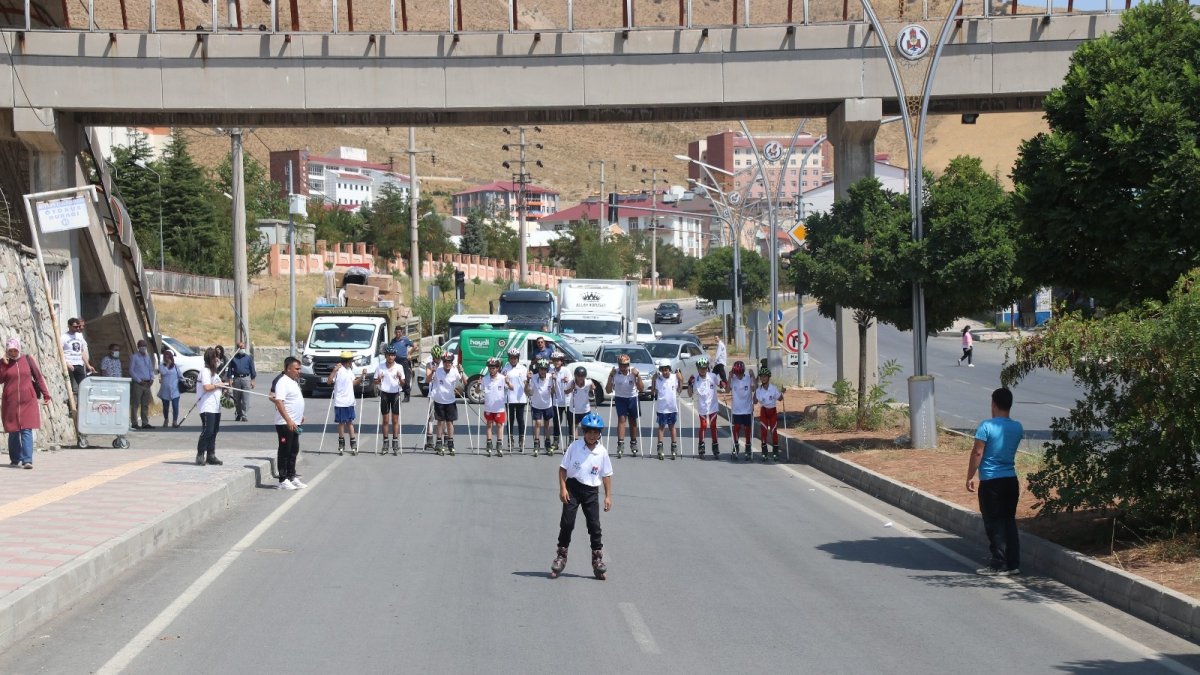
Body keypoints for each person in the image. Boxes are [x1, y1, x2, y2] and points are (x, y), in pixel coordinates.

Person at [967, 387, 1024, 576]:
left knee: (994, 522)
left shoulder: (986, 426)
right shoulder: (1017, 427)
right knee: (1009, 520)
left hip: (991, 481)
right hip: (1011, 479)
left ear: (994, 404)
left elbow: (978, 453)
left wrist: (970, 476)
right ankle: (1013, 563)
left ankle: (999, 563)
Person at [550, 411, 613, 580]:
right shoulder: (575, 446)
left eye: (595, 432)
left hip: (591, 491)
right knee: (567, 522)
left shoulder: (602, 452)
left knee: (594, 525)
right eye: (589, 431)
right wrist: (563, 489)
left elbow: (606, 475)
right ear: (583, 431)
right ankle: (561, 555)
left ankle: (597, 559)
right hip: (573, 488)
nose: (592, 435)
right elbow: (563, 469)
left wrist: (608, 496)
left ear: (599, 434)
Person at [0, 338, 50, 469]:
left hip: (28, 400)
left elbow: (38, 377)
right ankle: (15, 459)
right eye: (10, 350)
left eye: (15, 350)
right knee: (13, 431)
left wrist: (46, 394)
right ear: (7, 350)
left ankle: (27, 460)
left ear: (19, 349)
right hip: (10, 402)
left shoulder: (27, 359)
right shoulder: (3, 363)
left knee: (26, 429)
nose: (13, 353)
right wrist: (4, 364)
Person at [270, 357, 307, 490]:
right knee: (285, 450)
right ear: (288, 368)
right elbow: (279, 402)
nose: (299, 371)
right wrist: (288, 420)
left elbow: (294, 400)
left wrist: (300, 415)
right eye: (296, 369)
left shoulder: (293, 382)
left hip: (295, 422)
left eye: (299, 369)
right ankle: (283, 479)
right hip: (285, 423)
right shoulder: (282, 382)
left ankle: (291, 476)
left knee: (293, 450)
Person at [605, 353, 644, 458]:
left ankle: (633, 442)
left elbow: (641, 388)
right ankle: (620, 443)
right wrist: (610, 376)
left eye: (626, 365)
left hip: (632, 397)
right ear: (618, 365)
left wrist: (638, 376)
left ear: (629, 364)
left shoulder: (633, 372)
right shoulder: (615, 373)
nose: (623, 368)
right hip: (620, 398)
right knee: (621, 419)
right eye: (621, 365)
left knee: (632, 420)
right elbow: (608, 390)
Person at [426, 351, 464, 456]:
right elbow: (427, 380)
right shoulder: (438, 371)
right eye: (445, 362)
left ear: (452, 362)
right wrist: (432, 372)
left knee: (450, 423)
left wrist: (462, 372)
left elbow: (463, 383)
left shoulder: (454, 371)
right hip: (439, 400)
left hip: (450, 401)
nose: (447, 364)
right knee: (440, 422)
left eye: (449, 362)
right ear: (443, 362)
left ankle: (450, 443)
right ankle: (439, 442)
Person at [327, 351, 365, 456]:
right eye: (351, 361)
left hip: (350, 401)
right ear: (348, 361)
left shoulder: (349, 371)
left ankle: (353, 443)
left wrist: (362, 377)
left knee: (350, 422)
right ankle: (341, 442)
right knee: (341, 423)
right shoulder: (338, 370)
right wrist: (334, 370)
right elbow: (329, 381)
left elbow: (353, 383)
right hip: (340, 401)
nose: (352, 362)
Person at [687, 357, 724, 459]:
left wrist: (723, 383)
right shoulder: (695, 379)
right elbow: (690, 394)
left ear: (707, 367)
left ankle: (715, 446)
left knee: (713, 426)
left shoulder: (712, 376)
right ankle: (701, 445)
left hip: (713, 406)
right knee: (703, 426)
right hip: (702, 407)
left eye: (704, 368)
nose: (702, 370)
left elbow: (721, 385)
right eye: (700, 368)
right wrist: (689, 384)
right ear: (697, 368)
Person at [195, 347, 226, 466]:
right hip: (206, 406)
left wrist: (224, 387)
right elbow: (207, 387)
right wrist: (218, 385)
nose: (218, 360)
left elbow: (217, 385)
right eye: (215, 357)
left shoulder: (215, 373)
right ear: (211, 359)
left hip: (216, 407)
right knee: (207, 431)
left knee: (214, 431)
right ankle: (200, 455)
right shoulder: (205, 371)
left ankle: (211, 455)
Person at [374, 345, 405, 455]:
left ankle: (395, 441)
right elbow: (375, 381)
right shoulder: (380, 366)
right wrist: (379, 379)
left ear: (395, 356)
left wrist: (400, 378)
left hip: (395, 393)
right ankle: (385, 442)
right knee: (385, 420)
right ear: (385, 356)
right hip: (385, 393)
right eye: (388, 355)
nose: (390, 357)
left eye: (392, 355)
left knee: (395, 420)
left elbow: (403, 383)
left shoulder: (399, 367)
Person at [651, 359, 684, 460]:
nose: (665, 372)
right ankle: (660, 447)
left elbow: (679, 390)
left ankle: (674, 446)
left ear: (670, 369)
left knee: (672, 427)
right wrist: (653, 380)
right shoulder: (658, 379)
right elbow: (653, 392)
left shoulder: (674, 377)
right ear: (660, 370)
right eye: (663, 370)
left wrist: (681, 380)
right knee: (661, 427)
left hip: (672, 408)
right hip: (662, 408)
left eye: (666, 369)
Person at [480, 357, 510, 457]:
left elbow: (511, 388)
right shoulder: (485, 379)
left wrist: (508, 382)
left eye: (493, 368)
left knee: (499, 425)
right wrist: (478, 385)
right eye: (490, 368)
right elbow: (477, 391)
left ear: (498, 368)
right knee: (489, 425)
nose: (491, 370)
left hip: (499, 408)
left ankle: (499, 444)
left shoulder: (502, 378)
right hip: (489, 407)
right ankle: (489, 444)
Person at [526, 359, 556, 457]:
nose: (542, 371)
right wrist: (527, 381)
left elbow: (553, 392)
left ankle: (548, 443)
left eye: (544, 369)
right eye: (541, 369)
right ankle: (536, 443)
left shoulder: (550, 377)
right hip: (536, 405)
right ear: (538, 369)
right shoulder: (533, 378)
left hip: (547, 404)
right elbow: (528, 392)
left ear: (547, 370)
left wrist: (555, 381)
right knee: (538, 423)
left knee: (547, 424)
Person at [502, 348, 530, 453]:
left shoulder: (523, 368)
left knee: (520, 419)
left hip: (520, 398)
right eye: (511, 358)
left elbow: (526, 382)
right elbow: (503, 383)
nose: (513, 360)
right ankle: (510, 440)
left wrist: (528, 382)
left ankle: (521, 439)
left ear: (518, 358)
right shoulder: (505, 369)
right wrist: (506, 383)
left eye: (515, 358)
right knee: (510, 419)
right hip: (509, 398)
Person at [754, 367, 784, 462]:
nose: (763, 378)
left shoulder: (773, 388)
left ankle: (775, 451)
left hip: (772, 411)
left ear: (768, 377)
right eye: (761, 377)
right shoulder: (759, 390)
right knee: (764, 431)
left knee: (774, 431)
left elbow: (780, 399)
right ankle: (764, 451)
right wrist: (754, 391)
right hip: (764, 411)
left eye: (765, 376)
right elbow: (755, 401)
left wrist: (782, 392)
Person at [728, 360, 755, 460]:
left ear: (743, 372)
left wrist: (753, 376)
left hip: (747, 409)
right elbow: (727, 389)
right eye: (736, 373)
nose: (738, 375)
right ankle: (736, 446)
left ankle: (748, 447)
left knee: (747, 429)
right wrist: (730, 376)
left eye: (740, 373)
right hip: (737, 409)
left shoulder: (748, 378)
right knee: (737, 428)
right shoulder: (733, 379)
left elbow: (754, 388)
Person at [60, 318, 94, 396]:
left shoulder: (79, 336)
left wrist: (88, 365)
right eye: (75, 327)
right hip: (70, 365)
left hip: (79, 364)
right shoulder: (63, 337)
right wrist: (67, 363)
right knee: (72, 388)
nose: (78, 328)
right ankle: (72, 402)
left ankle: (82, 402)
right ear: (69, 326)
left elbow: (81, 351)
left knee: (83, 386)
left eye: (78, 326)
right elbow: (60, 353)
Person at [129, 339, 155, 430]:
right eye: (141, 346)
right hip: (138, 383)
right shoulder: (134, 357)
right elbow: (131, 370)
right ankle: (134, 423)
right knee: (135, 404)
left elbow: (151, 369)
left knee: (145, 404)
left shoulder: (147, 357)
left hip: (147, 383)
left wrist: (152, 379)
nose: (143, 347)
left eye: (145, 346)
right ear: (138, 347)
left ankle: (145, 423)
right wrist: (139, 380)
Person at [228, 341, 257, 422]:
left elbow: (252, 369)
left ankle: (244, 415)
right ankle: (238, 413)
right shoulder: (233, 358)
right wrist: (230, 379)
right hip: (236, 379)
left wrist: (253, 380)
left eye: (243, 347)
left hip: (246, 379)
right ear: (237, 348)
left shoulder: (248, 358)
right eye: (240, 348)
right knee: (236, 398)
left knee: (245, 398)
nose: (242, 349)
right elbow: (230, 369)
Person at [563, 366, 594, 440]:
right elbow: (565, 391)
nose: (580, 378)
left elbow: (592, 393)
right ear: (575, 376)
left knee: (586, 426)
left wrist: (592, 389)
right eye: (578, 376)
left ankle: (587, 441)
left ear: (585, 376)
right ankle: (575, 442)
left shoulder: (588, 382)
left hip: (585, 409)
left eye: (582, 376)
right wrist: (571, 388)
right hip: (574, 409)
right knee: (574, 426)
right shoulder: (571, 382)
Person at [388, 325, 415, 403]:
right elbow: (389, 349)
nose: (398, 334)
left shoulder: (405, 340)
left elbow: (415, 346)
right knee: (395, 378)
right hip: (395, 361)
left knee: (406, 378)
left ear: (401, 332)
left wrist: (409, 353)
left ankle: (407, 396)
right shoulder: (393, 341)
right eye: (396, 332)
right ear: (395, 332)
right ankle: (395, 395)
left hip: (404, 361)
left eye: (399, 332)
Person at [550, 352, 570, 450]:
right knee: (556, 422)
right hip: (556, 401)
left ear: (561, 361)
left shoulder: (566, 370)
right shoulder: (551, 371)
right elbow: (551, 390)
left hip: (567, 400)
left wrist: (567, 381)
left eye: (558, 360)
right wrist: (553, 380)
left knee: (570, 421)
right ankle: (556, 441)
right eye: (554, 360)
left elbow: (571, 383)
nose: (556, 362)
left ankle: (571, 441)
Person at [158, 350, 182, 428]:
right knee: (165, 407)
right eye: (165, 357)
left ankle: (174, 421)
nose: (167, 359)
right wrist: (167, 365)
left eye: (169, 357)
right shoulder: (162, 366)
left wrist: (184, 381)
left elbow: (180, 375)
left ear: (171, 358)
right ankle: (166, 419)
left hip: (175, 390)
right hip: (165, 390)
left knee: (175, 406)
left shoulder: (175, 366)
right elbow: (163, 372)